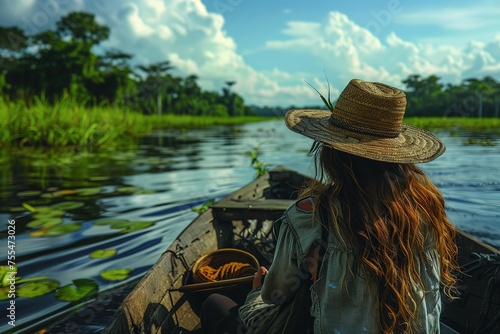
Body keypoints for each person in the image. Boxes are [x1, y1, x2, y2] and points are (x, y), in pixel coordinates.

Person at [204, 78, 460, 333]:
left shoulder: (311, 216)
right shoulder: (428, 209)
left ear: (332, 152)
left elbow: (275, 295)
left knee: (215, 304)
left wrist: (258, 290)